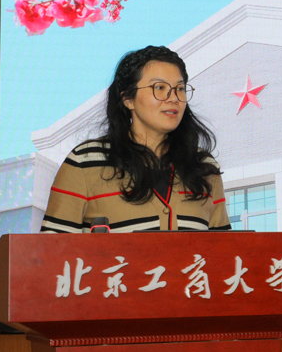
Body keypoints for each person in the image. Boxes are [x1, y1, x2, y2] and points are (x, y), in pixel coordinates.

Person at [40, 45, 230, 233]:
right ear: (128, 99)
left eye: (180, 88)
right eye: (160, 87)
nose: (173, 98)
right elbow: (52, 247)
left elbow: (226, 248)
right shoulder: (84, 162)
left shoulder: (204, 167)